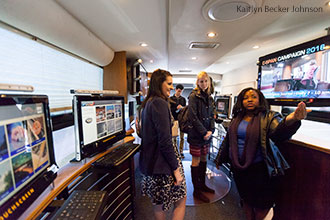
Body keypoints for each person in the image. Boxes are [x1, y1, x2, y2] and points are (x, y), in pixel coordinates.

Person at [214, 87, 311, 220]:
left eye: (253, 97)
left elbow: (279, 132)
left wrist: (293, 118)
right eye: (246, 98)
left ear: (259, 99)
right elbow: (229, 141)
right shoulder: (237, 117)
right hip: (239, 170)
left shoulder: (268, 116)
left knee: (262, 205)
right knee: (246, 200)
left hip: (259, 170)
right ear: (241, 101)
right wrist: (220, 158)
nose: (249, 100)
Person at [139, 69, 186, 220]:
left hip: (152, 163)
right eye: (169, 83)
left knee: (158, 205)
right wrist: (176, 170)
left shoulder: (148, 102)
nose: (172, 87)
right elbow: (165, 142)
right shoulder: (159, 103)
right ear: (160, 83)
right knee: (181, 201)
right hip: (163, 163)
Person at [187, 71, 215, 203]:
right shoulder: (193, 96)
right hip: (197, 135)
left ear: (209, 82)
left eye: (205, 81)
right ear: (197, 82)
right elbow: (192, 117)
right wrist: (204, 132)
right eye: (201, 81)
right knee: (196, 161)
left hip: (206, 135)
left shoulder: (210, 97)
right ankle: (196, 190)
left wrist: (211, 130)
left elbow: (211, 116)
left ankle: (203, 185)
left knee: (204, 159)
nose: (203, 83)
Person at [170, 84, 187, 158]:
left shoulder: (183, 99)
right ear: (176, 90)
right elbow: (169, 110)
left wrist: (182, 108)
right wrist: (176, 109)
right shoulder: (170, 99)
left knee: (182, 137)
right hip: (174, 119)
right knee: (173, 137)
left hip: (182, 120)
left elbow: (185, 110)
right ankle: (174, 151)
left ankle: (181, 151)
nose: (179, 92)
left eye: (181, 91)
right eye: (178, 91)